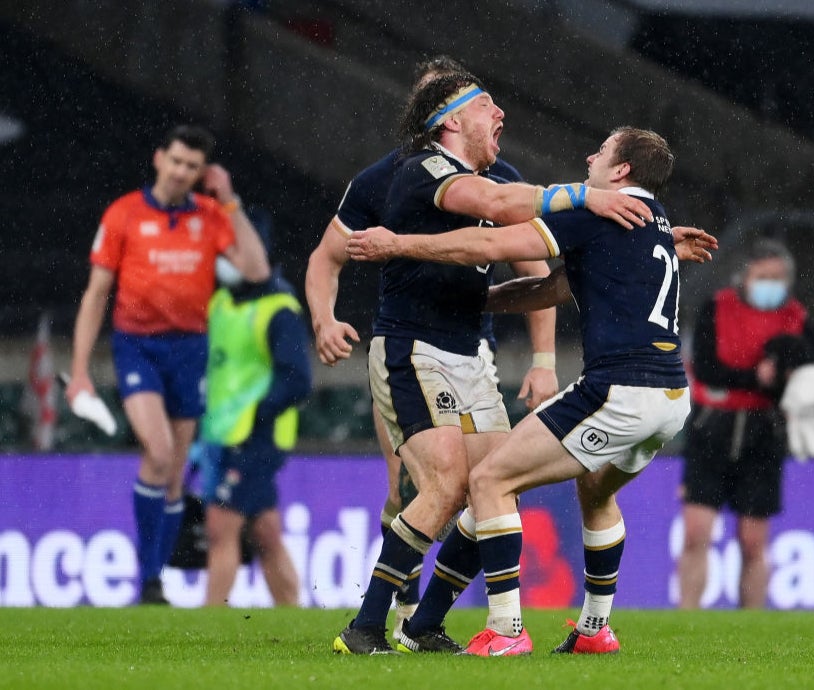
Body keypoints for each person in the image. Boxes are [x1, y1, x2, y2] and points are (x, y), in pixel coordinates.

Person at [346, 126, 717, 655]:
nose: (590, 155)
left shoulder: (598, 212)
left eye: (602, 150)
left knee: (490, 477)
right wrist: (477, 302)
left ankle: (506, 629)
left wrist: (398, 244)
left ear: (620, 172)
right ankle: (591, 630)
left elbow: (495, 241)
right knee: (596, 491)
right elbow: (548, 289)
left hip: (619, 390)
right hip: (670, 398)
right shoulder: (652, 223)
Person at [304, 56, 560, 637]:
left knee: (492, 485)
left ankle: (420, 624)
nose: (496, 114)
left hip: (472, 350)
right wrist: (324, 319)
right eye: (479, 104)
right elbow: (327, 257)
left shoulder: (496, 175)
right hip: (409, 347)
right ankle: (378, 621)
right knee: (422, 485)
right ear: (442, 118)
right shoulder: (394, 177)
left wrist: (544, 360)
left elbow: (537, 268)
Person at [66, 125, 270, 605]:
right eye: (176, 161)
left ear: (202, 172)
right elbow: (96, 294)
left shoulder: (210, 215)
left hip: (191, 349)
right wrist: (78, 371)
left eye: (192, 166)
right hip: (137, 347)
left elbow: (257, 270)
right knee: (157, 453)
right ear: (159, 159)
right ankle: (148, 572)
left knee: (176, 472)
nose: (181, 172)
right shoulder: (124, 214)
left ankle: (155, 581)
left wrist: (231, 200)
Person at [677, 238, 814, 609]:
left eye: (779, 277)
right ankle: (686, 615)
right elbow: (707, 368)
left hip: (763, 431)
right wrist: (759, 379)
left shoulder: (794, 316)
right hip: (713, 428)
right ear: (745, 276)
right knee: (696, 532)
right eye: (764, 276)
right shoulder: (718, 307)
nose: (772, 284)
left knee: (753, 540)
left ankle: (750, 621)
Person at [199, 256, 312, 606]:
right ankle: (294, 614)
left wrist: (258, 415)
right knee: (265, 532)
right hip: (221, 434)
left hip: (258, 437)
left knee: (220, 523)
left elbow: (298, 380)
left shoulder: (278, 310)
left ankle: (208, 622)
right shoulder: (219, 304)